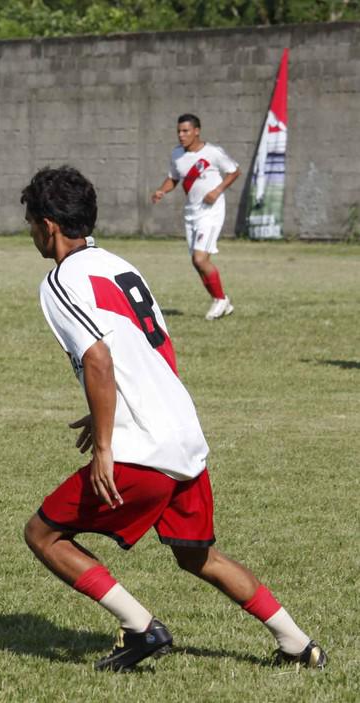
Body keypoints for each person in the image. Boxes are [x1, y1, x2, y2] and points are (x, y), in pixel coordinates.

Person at [21, 165, 326, 672]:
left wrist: (105, 446)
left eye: (31, 221)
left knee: (43, 534)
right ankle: (297, 643)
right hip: (185, 435)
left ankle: (140, 627)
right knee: (196, 554)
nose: (31, 231)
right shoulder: (121, 266)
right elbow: (155, 350)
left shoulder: (59, 281)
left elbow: (98, 357)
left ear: (49, 225)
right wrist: (100, 413)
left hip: (142, 449)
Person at [151, 114, 239, 320]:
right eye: (179, 131)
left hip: (211, 212)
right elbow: (173, 178)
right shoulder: (177, 154)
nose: (181, 135)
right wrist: (162, 191)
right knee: (196, 261)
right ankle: (221, 300)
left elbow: (234, 171)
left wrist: (217, 191)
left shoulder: (212, 153)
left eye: (186, 131)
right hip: (192, 212)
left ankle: (220, 300)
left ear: (197, 131)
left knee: (200, 258)